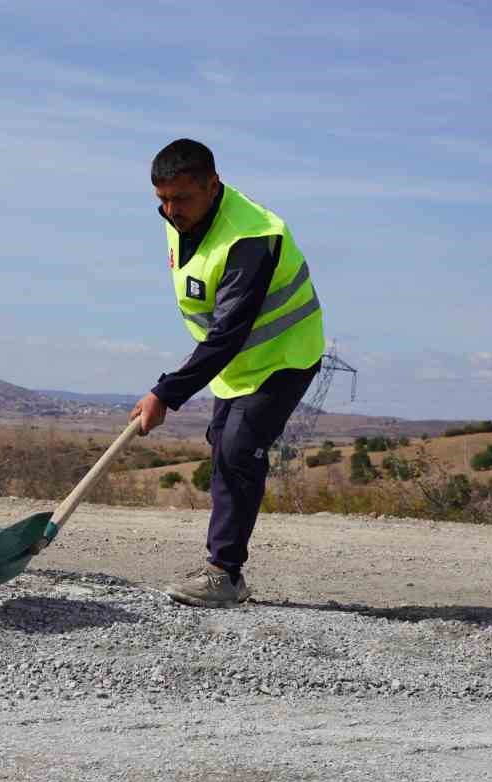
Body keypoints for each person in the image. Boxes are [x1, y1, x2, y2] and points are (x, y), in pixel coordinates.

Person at [129, 139, 325, 608]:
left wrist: (165, 393)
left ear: (213, 186)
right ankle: (224, 566)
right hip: (235, 364)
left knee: (239, 449)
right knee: (222, 444)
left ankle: (225, 574)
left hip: (284, 356)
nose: (172, 211)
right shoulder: (181, 217)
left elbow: (230, 330)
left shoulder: (252, 238)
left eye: (182, 199)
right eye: (163, 200)